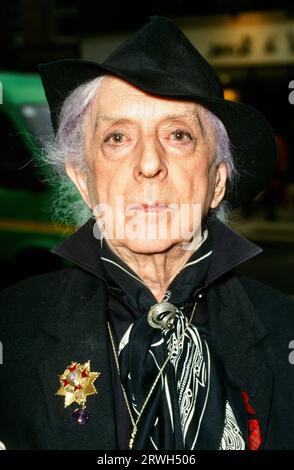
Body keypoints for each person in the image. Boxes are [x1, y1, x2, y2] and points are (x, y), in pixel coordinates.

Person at [0, 16, 293, 451]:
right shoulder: (12, 326)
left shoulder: (283, 328)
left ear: (216, 181)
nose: (149, 163)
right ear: (84, 179)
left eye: (178, 135)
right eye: (117, 137)